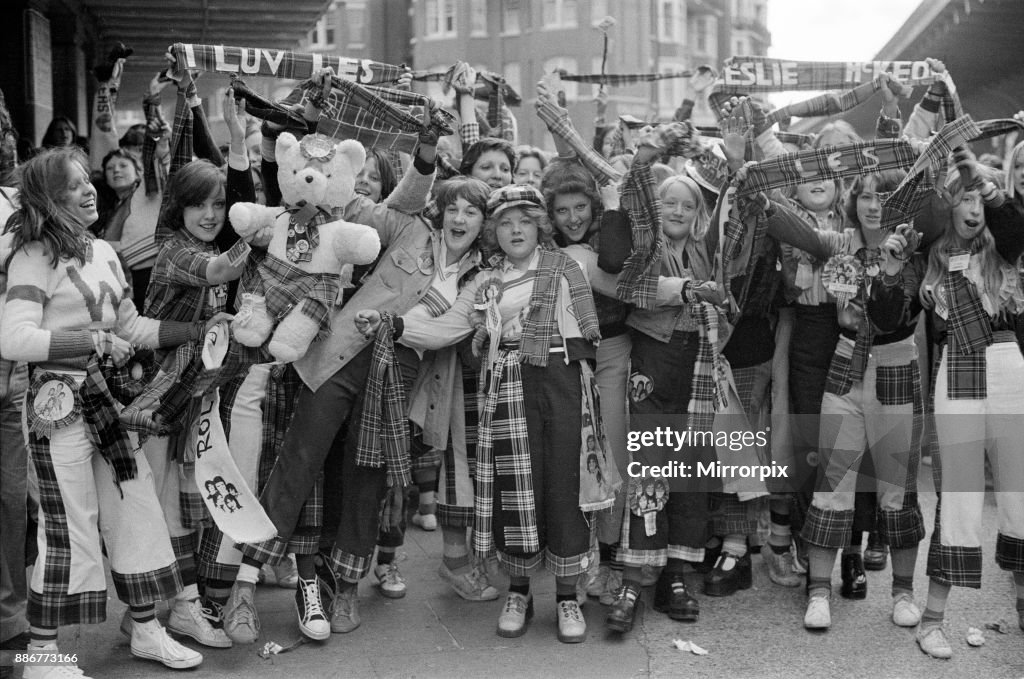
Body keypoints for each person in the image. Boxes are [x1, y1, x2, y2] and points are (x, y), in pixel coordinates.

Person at [0, 147, 223, 677]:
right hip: (59, 405)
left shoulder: (103, 251)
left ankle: (147, 629)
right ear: (50, 201)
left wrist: (199, 331)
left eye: (87, 179)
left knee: (136, 509)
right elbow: (13, 336)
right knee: (68, 527)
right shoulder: (33, 255)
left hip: (110, 403)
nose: (89, 189)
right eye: (74, 186)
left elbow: (133, 329)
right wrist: (92, 343)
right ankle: (42, 657)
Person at [354, 184, 602, 644]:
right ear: (494, 231)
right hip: (508, 386)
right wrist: (397, 323)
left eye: (524, 221)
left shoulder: (567, 266)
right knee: (516, 487)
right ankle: (520, 593)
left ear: (540, 225)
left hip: (564, 382)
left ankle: (567, 597)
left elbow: (590, 336)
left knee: (566, 487)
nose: (515, 230)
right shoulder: (486, 278)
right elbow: (449, 326)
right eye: (505, 223)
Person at [915, 153, 1024, 658]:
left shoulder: (1009, 243)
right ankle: (932, 620)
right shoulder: (931, 251)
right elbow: (919, 207)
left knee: (1019, 491)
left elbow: (1010, 222)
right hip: (958, 363)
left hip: (1007, 361)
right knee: (957, 495)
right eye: (963, 196)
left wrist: (985, 181)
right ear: (949, 205)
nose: (973, 206)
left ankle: (1022, 605)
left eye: (980, 194)